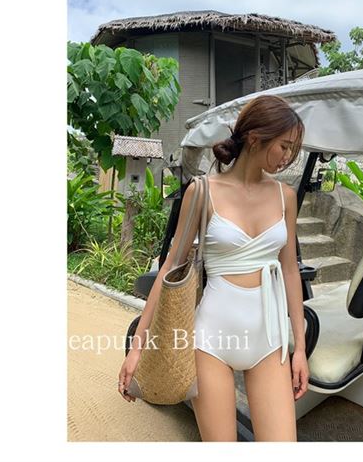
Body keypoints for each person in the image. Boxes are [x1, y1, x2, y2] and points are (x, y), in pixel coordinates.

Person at [117, 95, 310, 442]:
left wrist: (301, 350)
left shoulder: (286, 197)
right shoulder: (203, 191)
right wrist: (137, 347)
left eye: (293, 149)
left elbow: (290, 271)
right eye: (284, 146)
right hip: (212, 340)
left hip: (270, 340)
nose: (288, 157)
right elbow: (170, 268)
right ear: (255, 138)